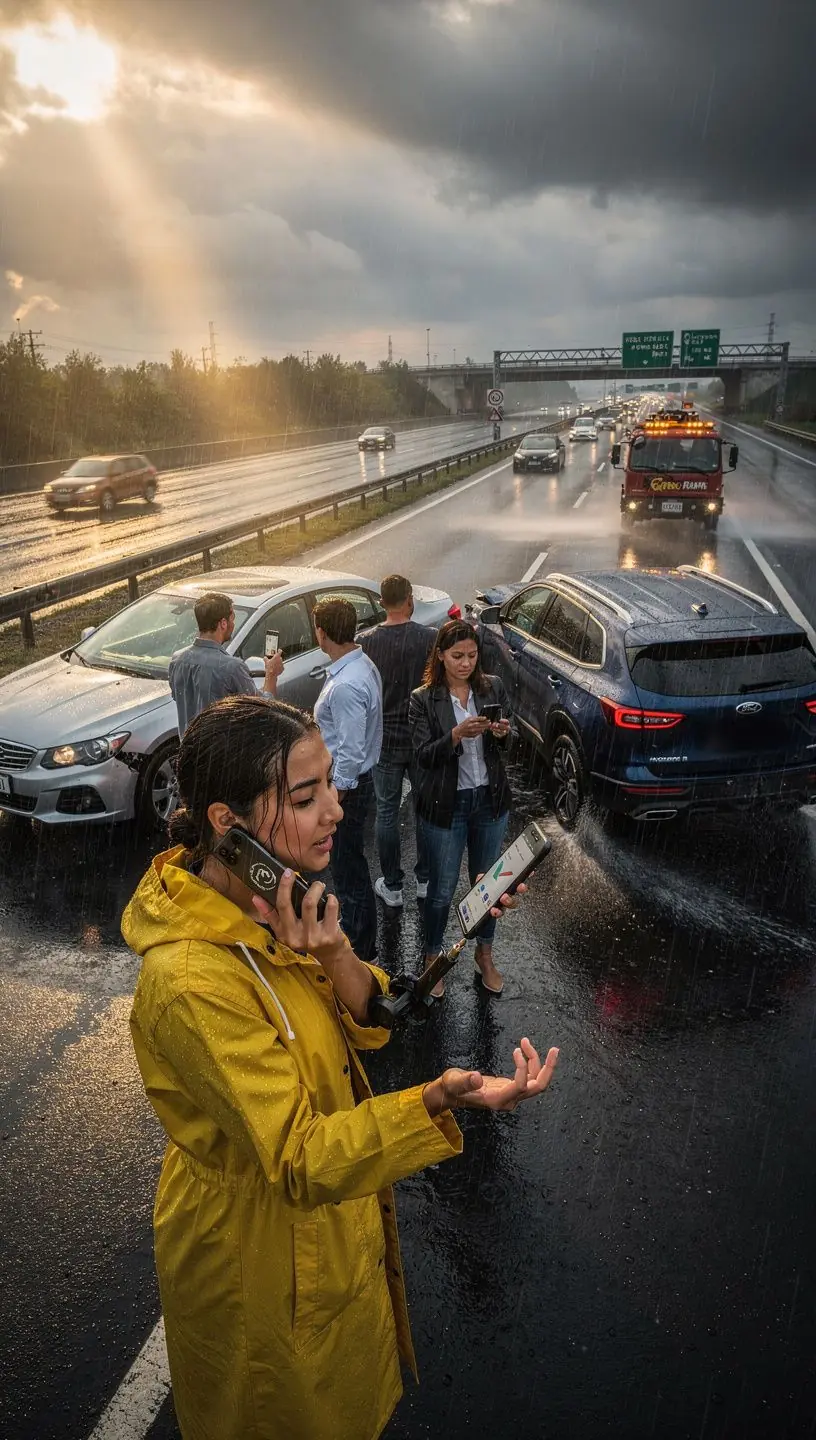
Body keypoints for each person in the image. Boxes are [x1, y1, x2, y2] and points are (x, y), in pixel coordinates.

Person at [123, 693, 559, 1440]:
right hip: (255, 1267)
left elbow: (372, 1022)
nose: (335, 808)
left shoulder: (271, 911)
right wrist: (437, 1100)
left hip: (320, 1236)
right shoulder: (195, 982)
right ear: (227, 826)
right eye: (305, 795)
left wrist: (329, 950)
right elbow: (297, 1158)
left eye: (330, 783)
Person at [409, 619, 513, 999]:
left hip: (489, 801)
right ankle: (433, 957)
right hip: (446, 806)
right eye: (457, 656)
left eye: (471, 655)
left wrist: (502, 734)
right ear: (440, 656)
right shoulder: (423, 698)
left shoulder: (492, 687)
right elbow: (422, 756)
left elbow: (506, 743)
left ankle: (484, 954)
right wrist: (455, 735)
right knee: (441, 890)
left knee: (489, 887)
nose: (466, 663)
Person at [312, 596, 382, 963]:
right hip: (358, 784)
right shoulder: (360, 664)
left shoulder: (346, 686)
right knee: (351, 863)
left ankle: (360, 950)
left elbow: (351, 753)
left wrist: (334, 797)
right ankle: (362, 940)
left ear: (321, 633)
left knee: (348, 869)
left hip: (348, 791)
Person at [359, 575, 435, 908]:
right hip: (422, 737)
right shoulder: (430, 639)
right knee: (426, 811)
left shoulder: (366, 642)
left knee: (386, 814)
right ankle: (425, 880)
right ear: (410, 599)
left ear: (381, 603)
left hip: (385, 740)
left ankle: (392, 886)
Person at [168, 591, 282, 736]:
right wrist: (271, 674)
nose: (233, 624)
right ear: (223, 623)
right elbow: (264, 710)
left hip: (188, 753)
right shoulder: (232, 667)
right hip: (221, 755)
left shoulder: (177, 660)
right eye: (232, 619)